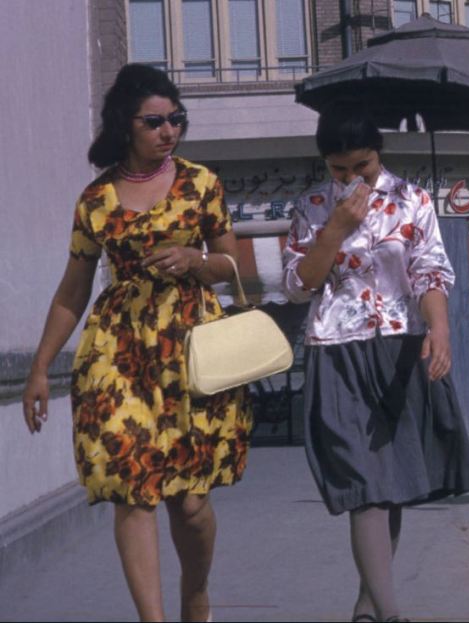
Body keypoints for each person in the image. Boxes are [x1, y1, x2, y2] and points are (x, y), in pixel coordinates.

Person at [22, 63, 252, 623]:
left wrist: (197, 260)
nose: (168, 130)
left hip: (191, 347)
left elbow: (237, 266)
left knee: (191, 503)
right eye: (155, 121)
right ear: (126, 125)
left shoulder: (201, 184)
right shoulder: (95, 199)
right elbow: (72, 292)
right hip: (119, 352)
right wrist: (40, 367)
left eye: (176, 119)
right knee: (131, 488)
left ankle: (195, 594)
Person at [282, 102, 469, 623]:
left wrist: (439, 330)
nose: (350, 180)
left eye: (361, 167)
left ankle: (367, 607)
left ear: (378, 155)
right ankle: (391, 614)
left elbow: (430, 274)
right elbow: (299, 287)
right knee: (362, 484)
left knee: (387, 486)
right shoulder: (311, 206)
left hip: (398, 348)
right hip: (335, 350)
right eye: (338, 169)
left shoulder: (411, 201)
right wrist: (336, 228)